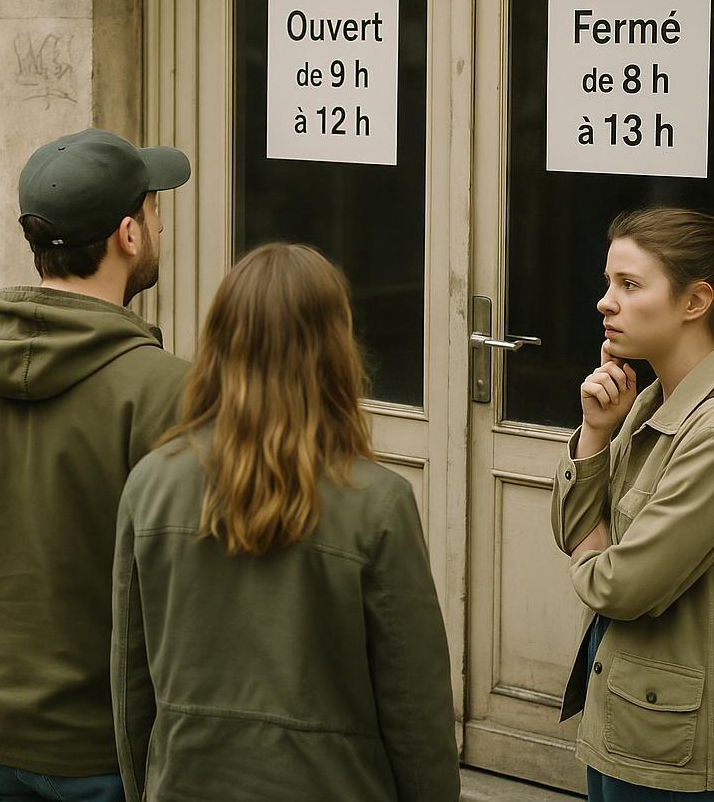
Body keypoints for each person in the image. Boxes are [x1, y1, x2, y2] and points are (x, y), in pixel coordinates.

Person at [111, 242, 460, 802]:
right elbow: (415, 705)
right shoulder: (378, 503)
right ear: (335, 348)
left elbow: (131, 684)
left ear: (218, 343)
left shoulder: (150, 483)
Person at [0, 128, 191, 802]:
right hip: (107, 749)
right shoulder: (165, 391)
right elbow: (189, 587)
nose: (156, 223)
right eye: (153, 209)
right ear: (128, 234)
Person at [551, 208, 714, 799]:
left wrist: (590, 556)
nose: (606, 301)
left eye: (629, 285)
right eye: (609, 283)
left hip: (679, 751)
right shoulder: (649, 401)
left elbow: (619, 588)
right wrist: (596, 434)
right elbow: (571, 528)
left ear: (694, 301)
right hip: (628, 717)